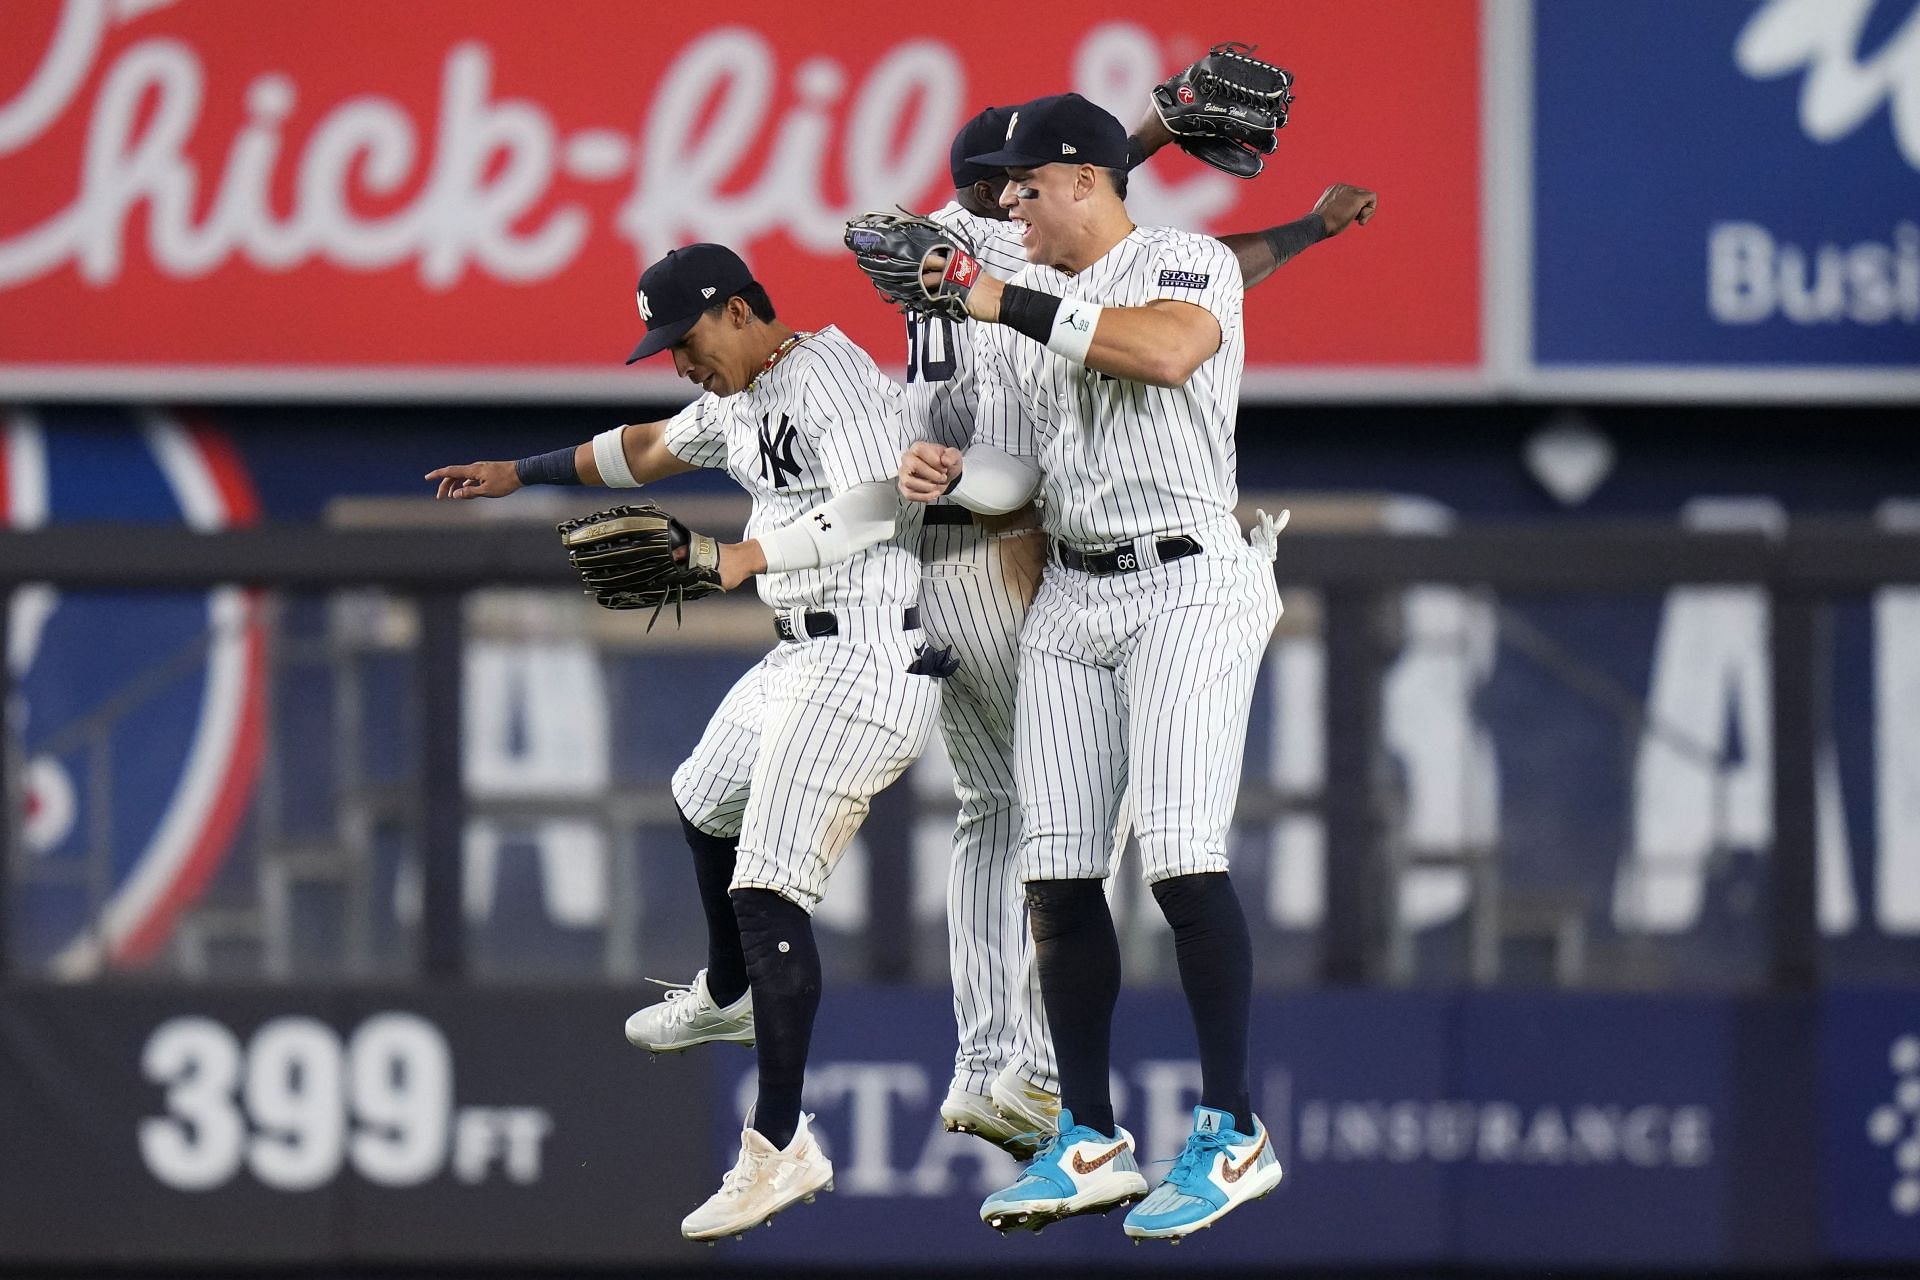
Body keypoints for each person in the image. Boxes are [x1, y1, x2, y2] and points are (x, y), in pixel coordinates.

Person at [426, 243, 940, 1241]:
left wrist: (751, 551)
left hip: (871, 658)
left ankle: (779, 1144)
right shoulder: (739, 395)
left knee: (767, 886)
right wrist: (515, 474)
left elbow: (883, 501)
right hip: (805, 653)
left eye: (686, 338)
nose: (679, 361)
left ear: (740, 310)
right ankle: (730, 987)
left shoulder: (830, 377)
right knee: (702, 793)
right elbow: (646, 448)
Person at [911, 104, 1376, 1158]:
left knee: (1177, 857)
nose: (1008, 203)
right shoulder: (1028, 302)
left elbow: (1167, 352)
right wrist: (951, 475)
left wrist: (1001, 298)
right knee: (1059, 875)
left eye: (1028, 183)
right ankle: (1083, 1135)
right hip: (1074, 588)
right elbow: (1024, 472)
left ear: (1085, 179)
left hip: (1189, 576)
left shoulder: (1184, 258)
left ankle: (1231, 1130)